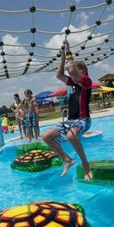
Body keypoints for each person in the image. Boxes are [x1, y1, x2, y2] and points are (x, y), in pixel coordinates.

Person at [42, 39, 92, 180]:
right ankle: (67, 160)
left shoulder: (87, 81)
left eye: (77, 70)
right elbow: (59, 74)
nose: (73, 73)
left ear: (83, 72)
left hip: (83, 120)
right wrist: (63, 56)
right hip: (70, 121)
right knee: (46, 136)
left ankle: (85, 164)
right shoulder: (71, 82)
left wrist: (68, 48)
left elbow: (71, 70)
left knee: (71, 136)